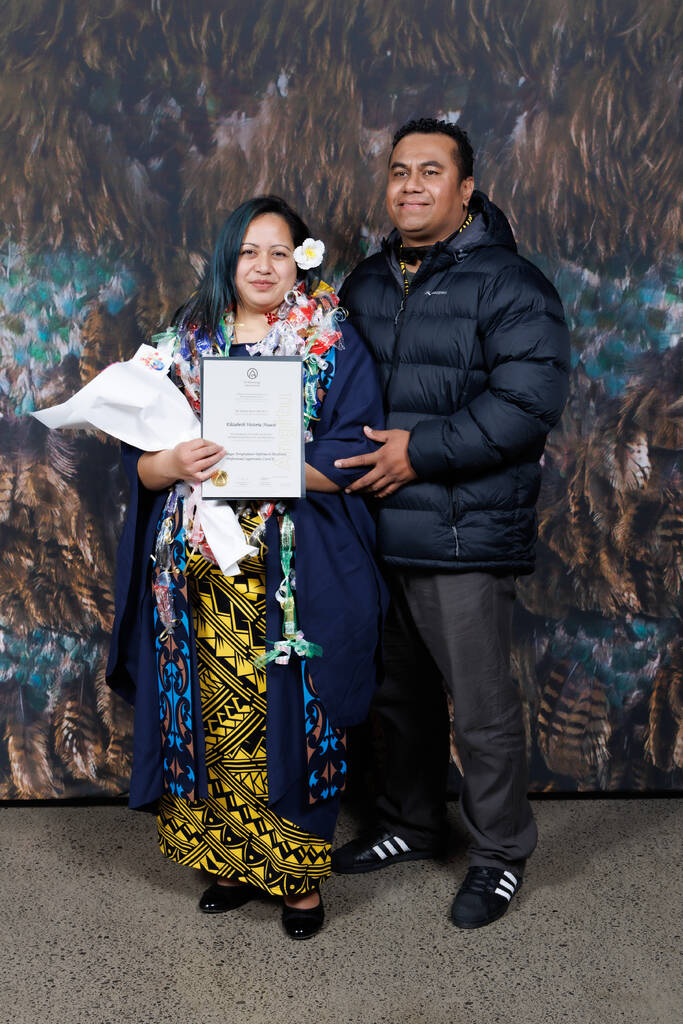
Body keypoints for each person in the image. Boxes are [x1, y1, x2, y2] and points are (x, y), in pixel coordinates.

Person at [106, 195, 386, 940]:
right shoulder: (178, 347)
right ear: (226, 259)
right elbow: (137, 464)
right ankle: (227, 861)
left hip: (295, 572)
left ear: (300, 260)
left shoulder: (331, 344)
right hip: (201, 571)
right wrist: (165, 462)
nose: (263, 266)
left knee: (294, 720)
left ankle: (296, 881)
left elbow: (354, 450)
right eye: (248, 252)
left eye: (278, 251)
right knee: (211, 719)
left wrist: (283, 466)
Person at [332, 118, 570, 929]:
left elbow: (526, 403)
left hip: (462, 532)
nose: (409, 185)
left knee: (479, 706)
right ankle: (409, 823)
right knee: (395, 698)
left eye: (429, 171)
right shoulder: (362, 283)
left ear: (464, 189)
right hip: (373, 531)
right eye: (398, 171)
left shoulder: (509, 284)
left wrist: (420, 453)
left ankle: (500, 852)